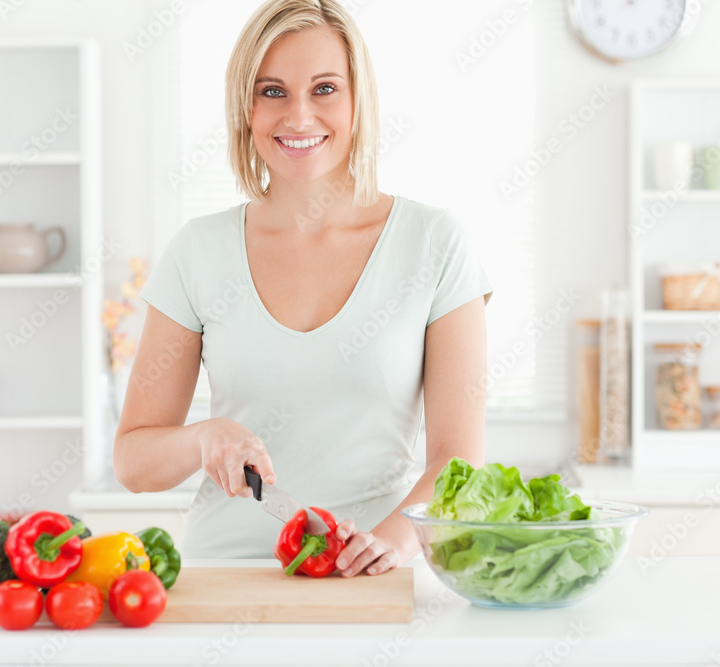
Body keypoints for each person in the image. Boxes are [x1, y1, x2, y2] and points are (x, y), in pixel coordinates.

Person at [114, 0, 493, 578]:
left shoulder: (434, 244)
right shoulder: (199, 249)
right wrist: (202, 439)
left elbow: (458, 459)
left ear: (357, 101)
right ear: (245, 107)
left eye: (324, 89)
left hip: (371, 579)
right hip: (225, 577)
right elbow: (133, 462)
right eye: (272, 91)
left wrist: (391, 542)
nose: (298, 116)